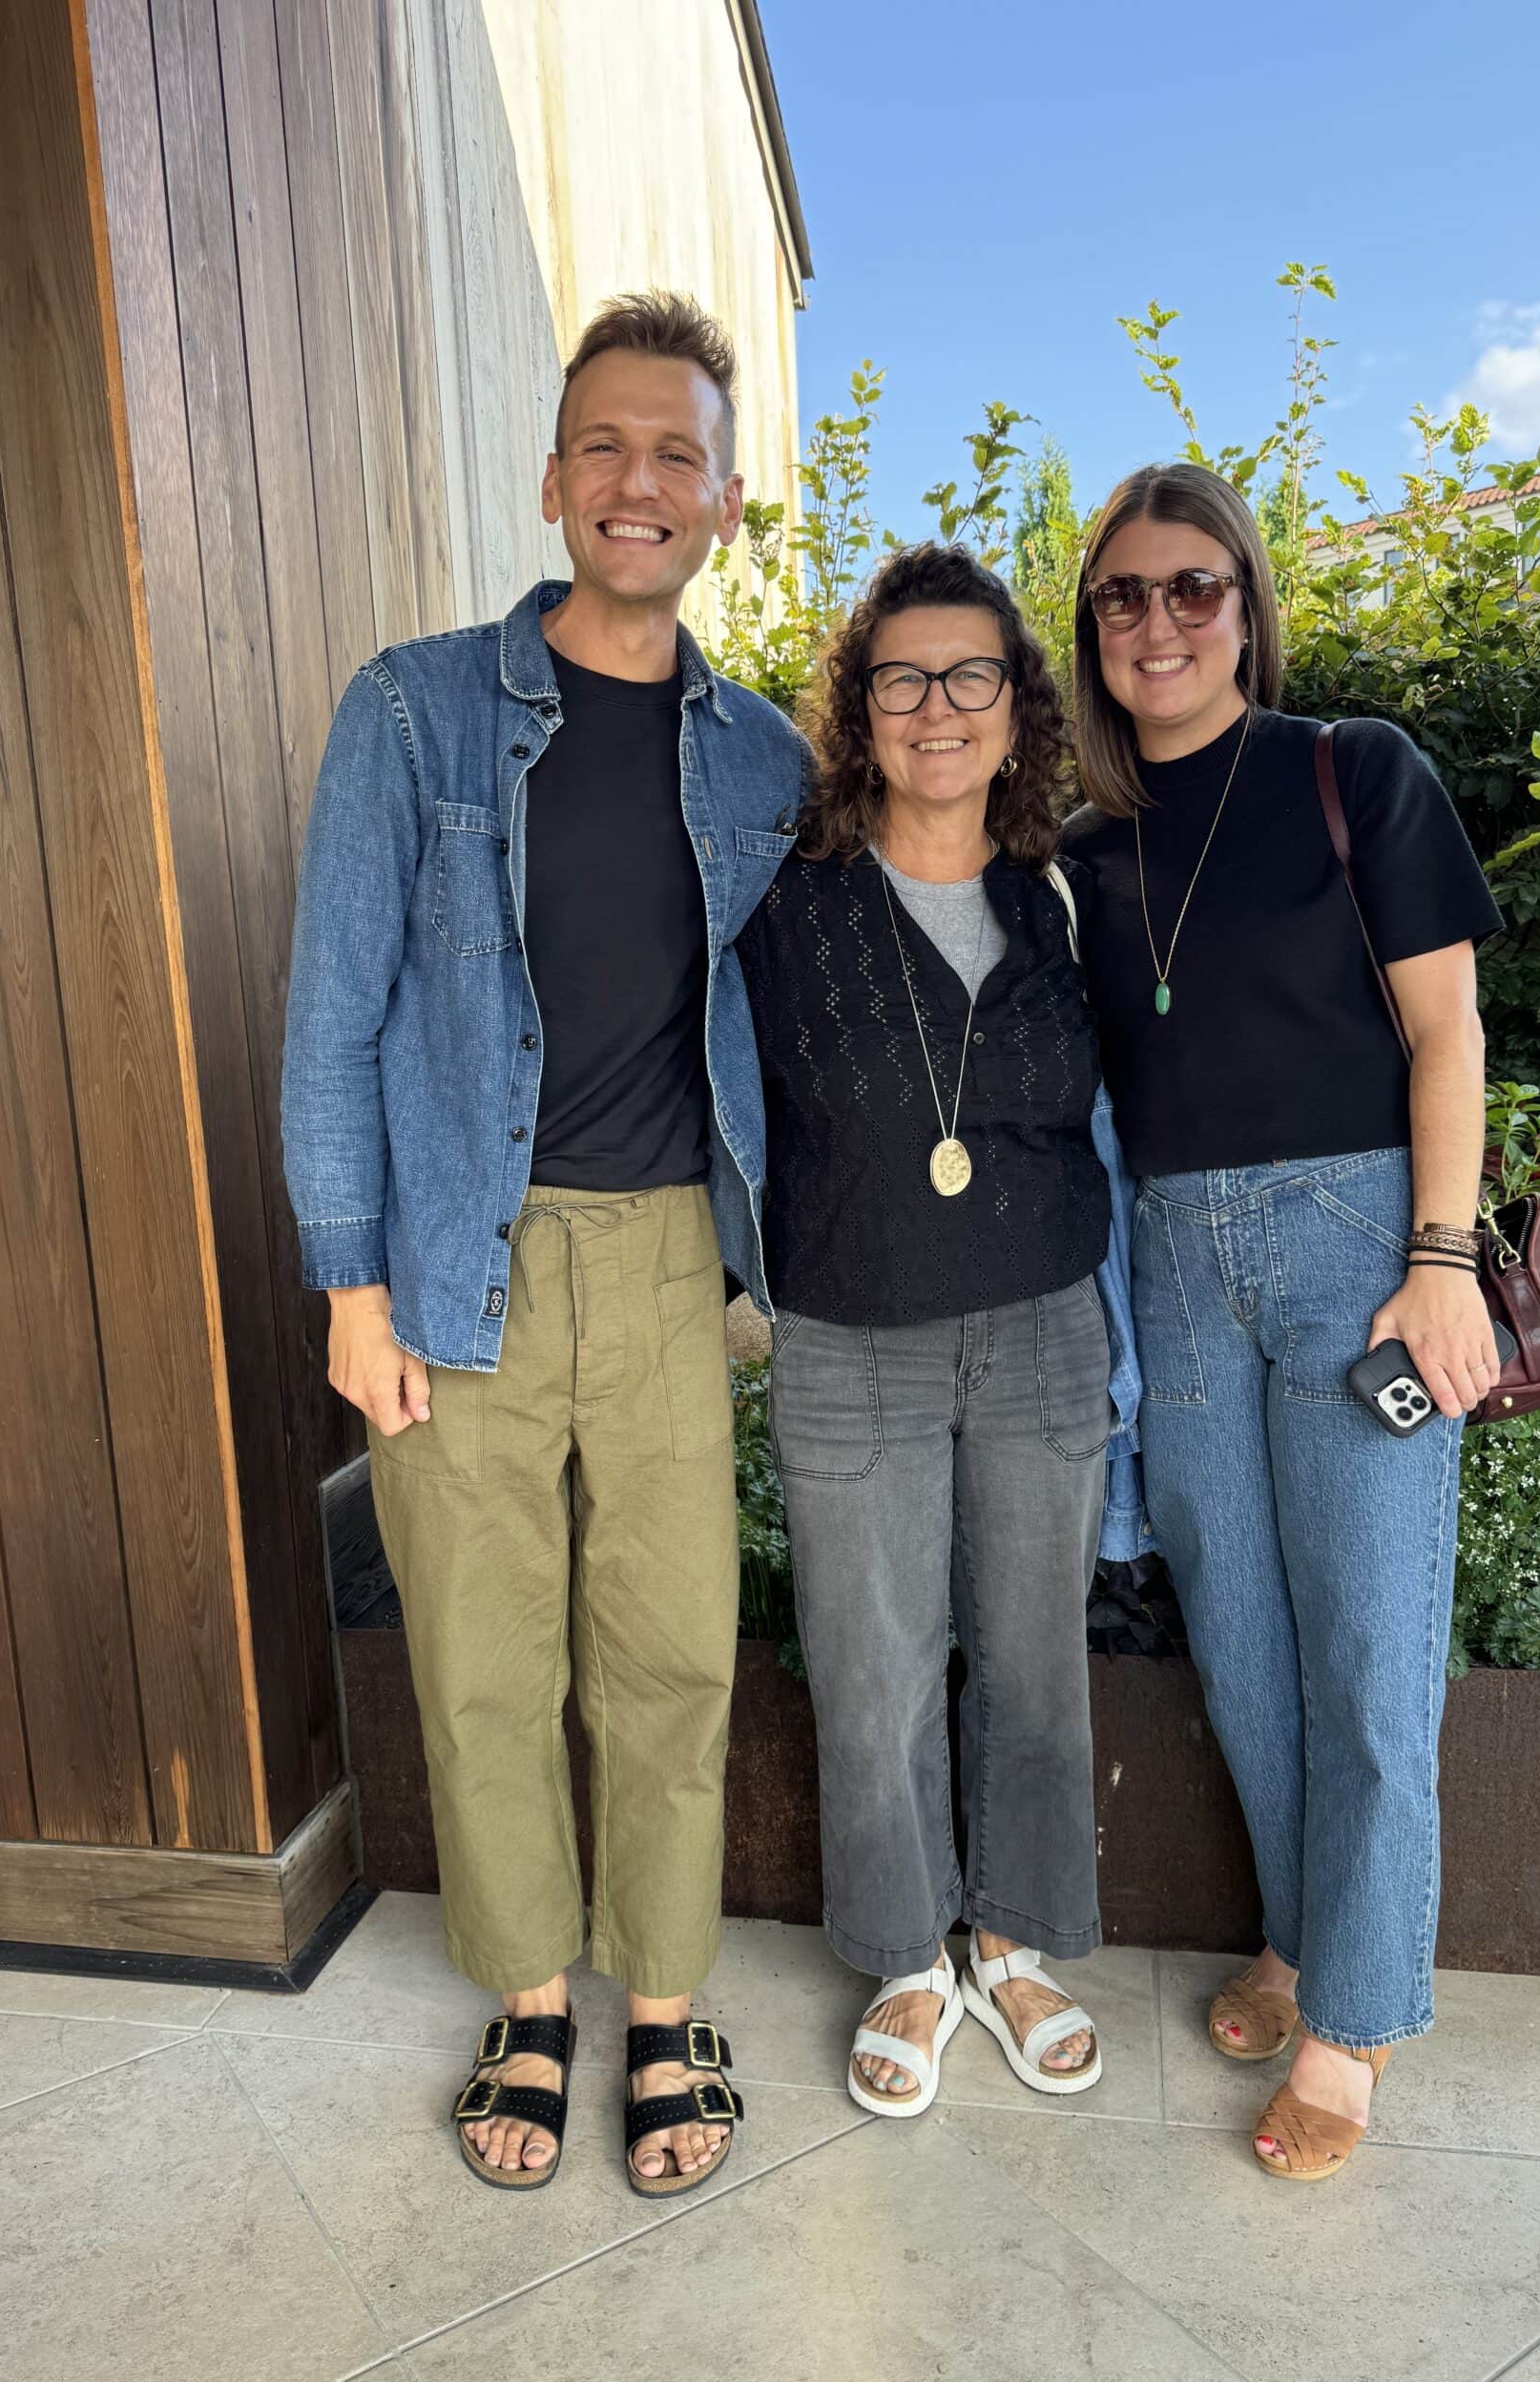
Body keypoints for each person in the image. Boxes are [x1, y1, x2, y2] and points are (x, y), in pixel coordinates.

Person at [281, 292, 806, 2197]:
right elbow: (333, 1006)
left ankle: (662, 2004)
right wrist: (351, 1279)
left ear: (724, 502)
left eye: (679, 451)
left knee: (671, 1658)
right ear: (552, 475)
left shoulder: (761, 757)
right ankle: (530, 1992)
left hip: (670, 1261)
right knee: (486, 1663)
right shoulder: (412, 708)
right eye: (607, 444)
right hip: (454, 1262)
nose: (639, 480)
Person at [1059, 462, 1504, 2182]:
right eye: (1121, 597)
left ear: (1244, 602)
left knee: (1371, 1654)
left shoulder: (1352, 771)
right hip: (1174, 1267)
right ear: (1091, 631)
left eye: (1191, 588)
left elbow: (1447, 1032)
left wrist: (1442, 1258)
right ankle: (1308, 1937)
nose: (1157, 621)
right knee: (1242, 1644)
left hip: (1355, 1247)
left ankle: (1355, 2027)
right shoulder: (1086, 851)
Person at [737, 542, 1143, 2118]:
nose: (937, 707)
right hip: (851, 1338)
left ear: (1019, 706)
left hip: (1042, 1329)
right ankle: (910, 1957)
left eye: (972, 674)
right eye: (900, 677)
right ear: (858, 707)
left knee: (1037, 1661)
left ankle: (1017, 1938)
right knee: (875, 1666)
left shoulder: (1064, 896)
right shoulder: (787, 901)